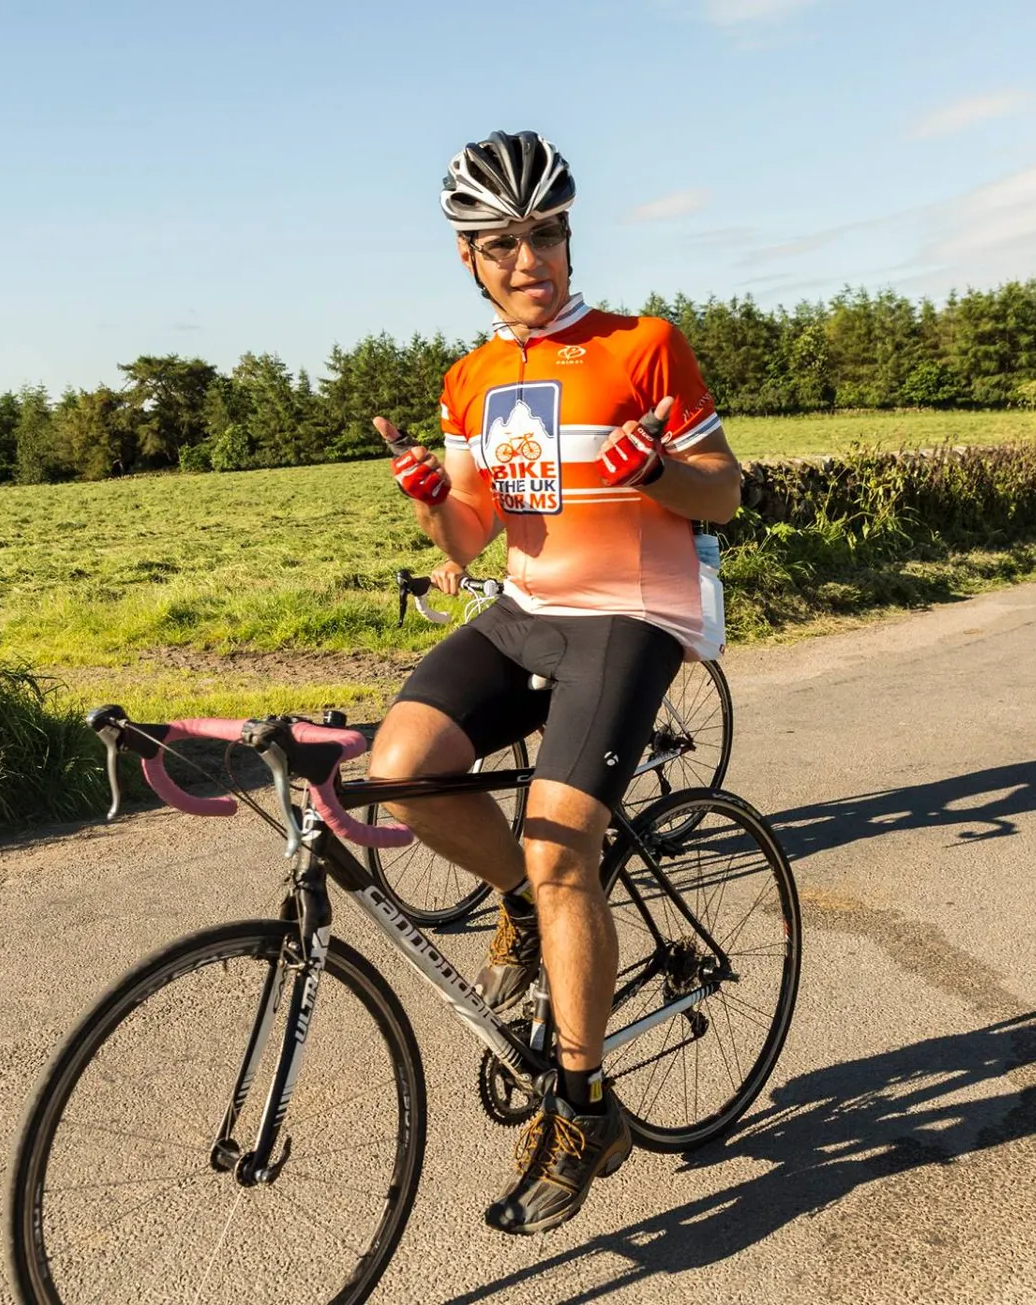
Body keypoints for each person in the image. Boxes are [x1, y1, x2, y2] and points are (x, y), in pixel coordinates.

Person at [368, 130, 743, 1236]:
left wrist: (659, 467)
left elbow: (721, 495)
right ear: (470, 261)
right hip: (530, 609)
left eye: (545, 235)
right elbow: (476, 531)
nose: (528, 258)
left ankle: (584, 1109)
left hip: (633, 613)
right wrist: (431, 496)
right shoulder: (473, 375)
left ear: (568, 239)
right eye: (501, 243)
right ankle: (528, 915)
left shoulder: (643, 345)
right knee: (400, 772)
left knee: (559, 841)